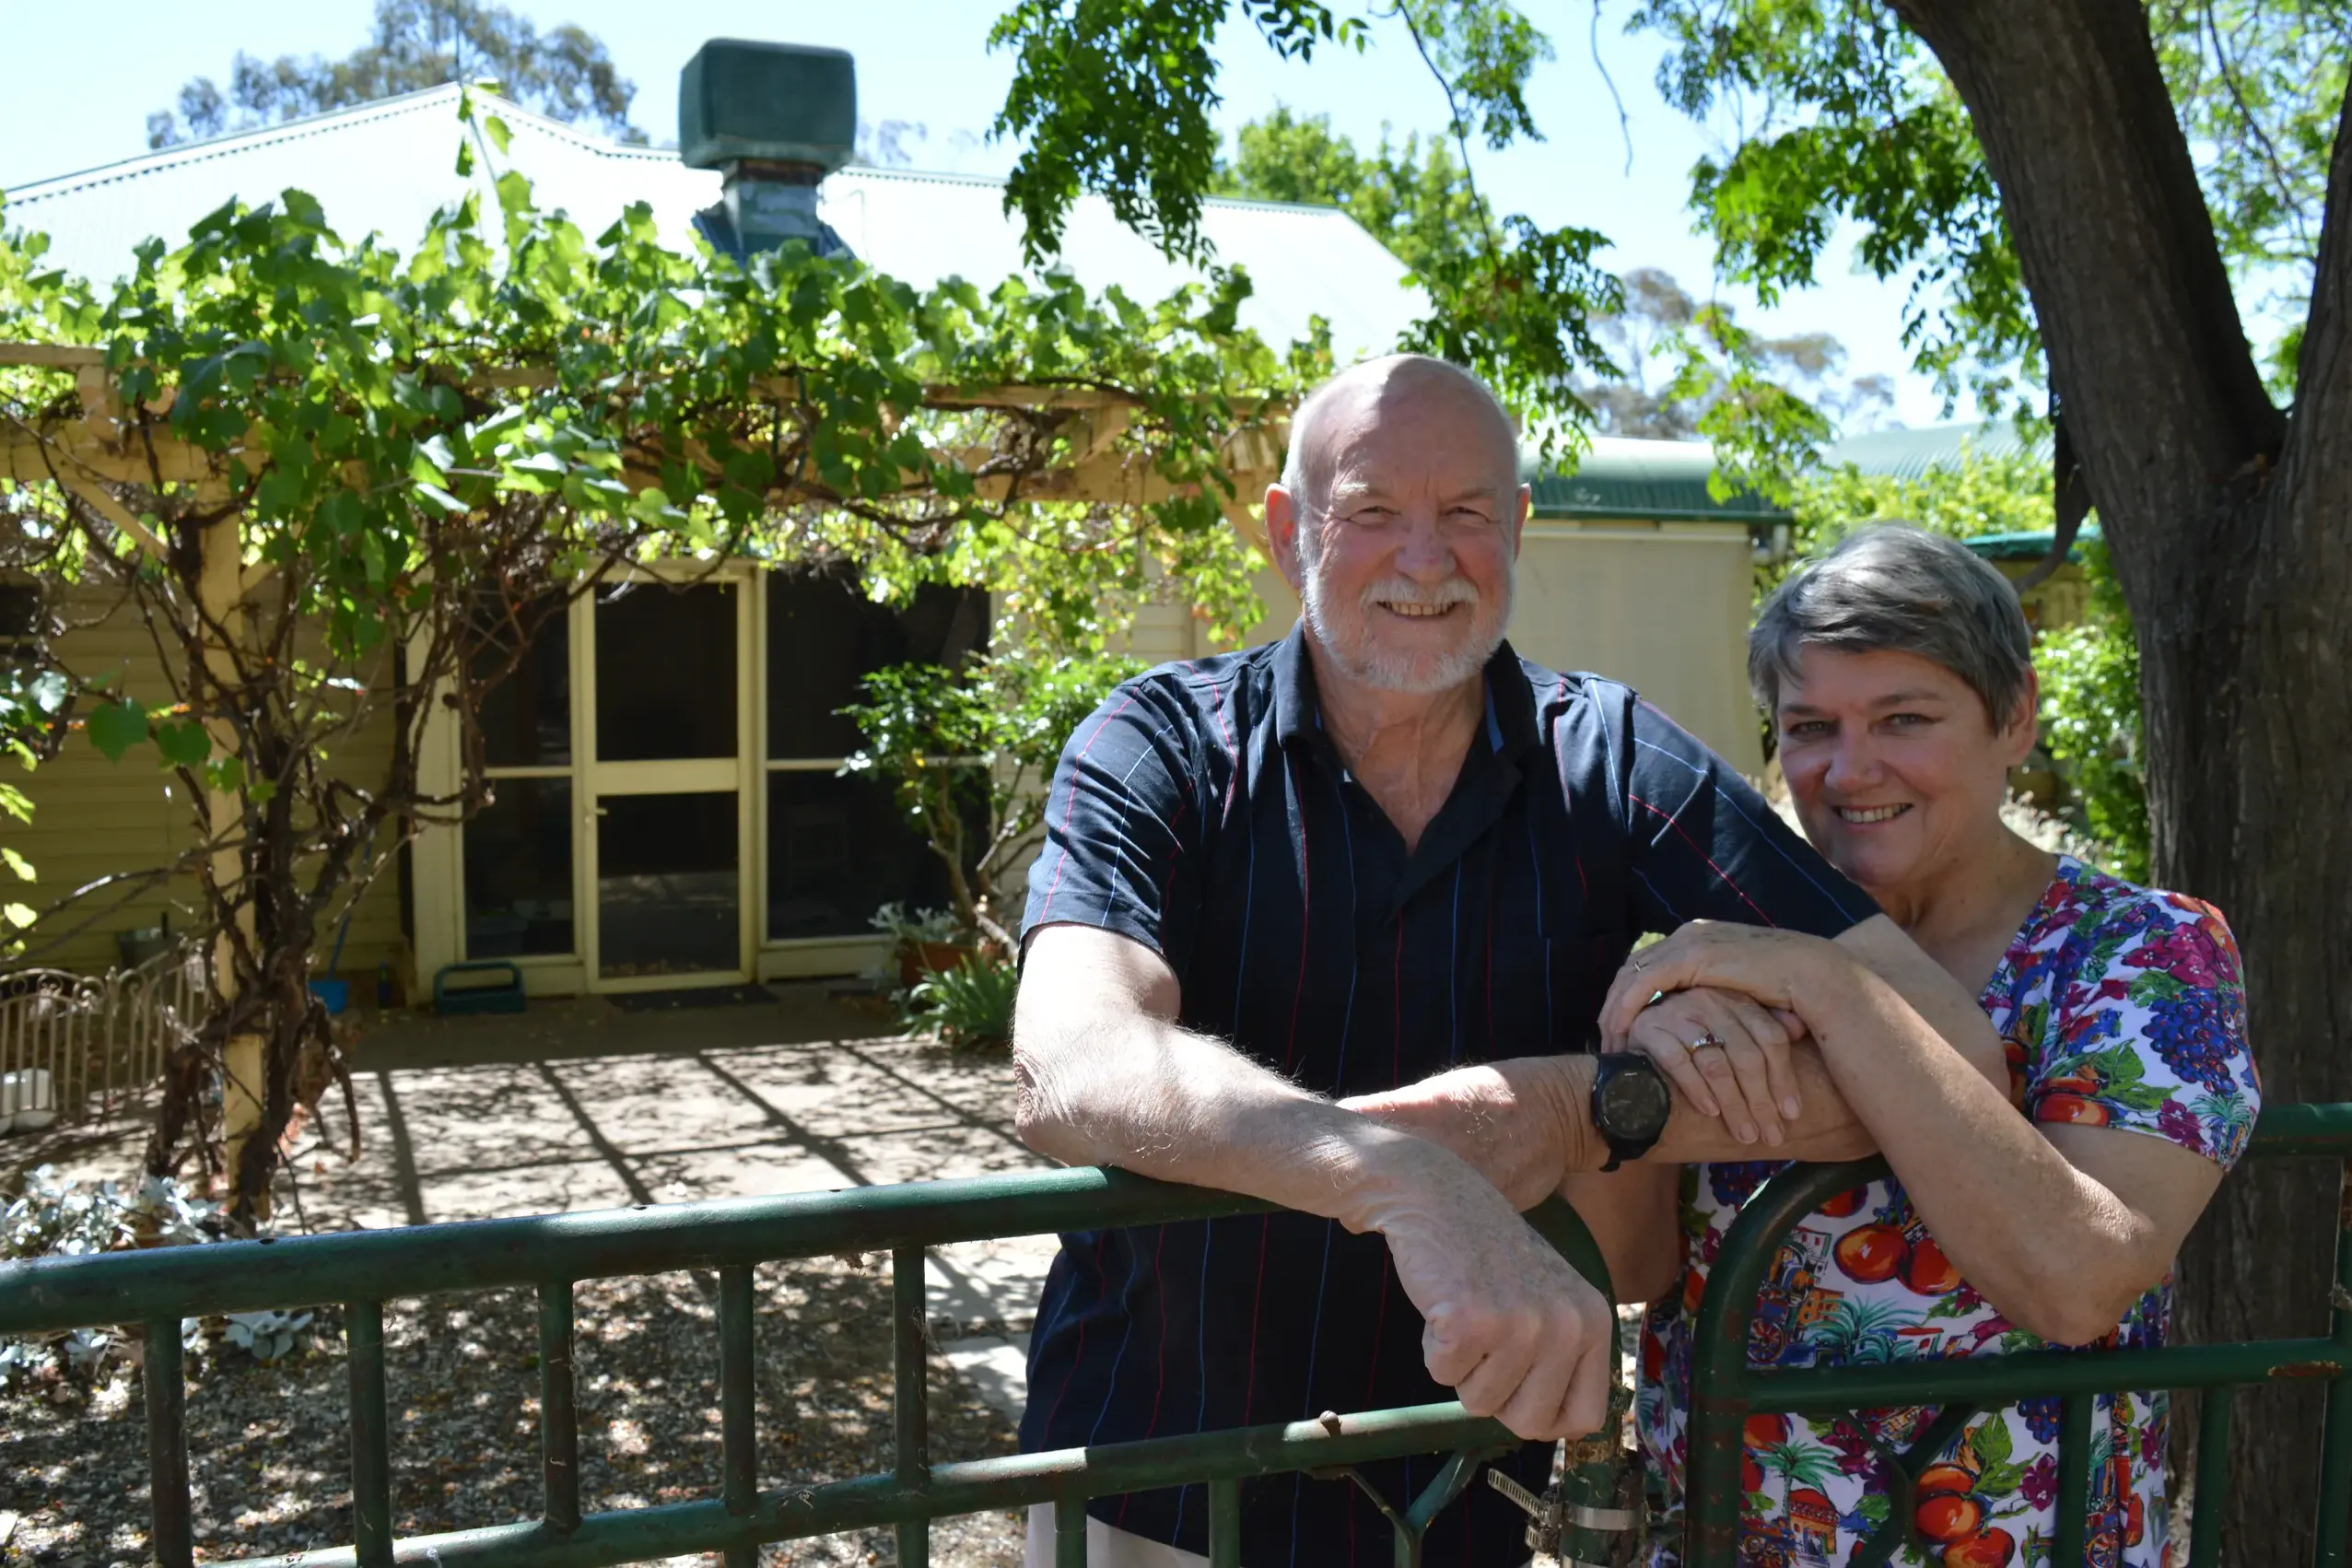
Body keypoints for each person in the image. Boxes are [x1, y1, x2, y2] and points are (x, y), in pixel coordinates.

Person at [1011, 357, 2007, 1568]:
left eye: (1468, 513)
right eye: (1371, 511)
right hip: (1163, 1477)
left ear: (1518, 527)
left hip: (1463, 1491)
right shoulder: (1159, 744)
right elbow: (1072, 1063)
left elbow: (1937, 1042)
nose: (1425, 559)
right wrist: (1401, 1177)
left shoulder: (1613, 756)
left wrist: (1612, 1096)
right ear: (1287, 533)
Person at [1597, 526, 2257, 1565]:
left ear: (2015, 717)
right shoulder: (1725, 958)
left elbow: (2076, 1279)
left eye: (1904, 718)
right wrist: (1622, 1047)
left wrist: (1832, 985)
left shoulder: (2140, 953)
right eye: (1809, 725)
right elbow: (1634, 1260)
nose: (1849, 770)